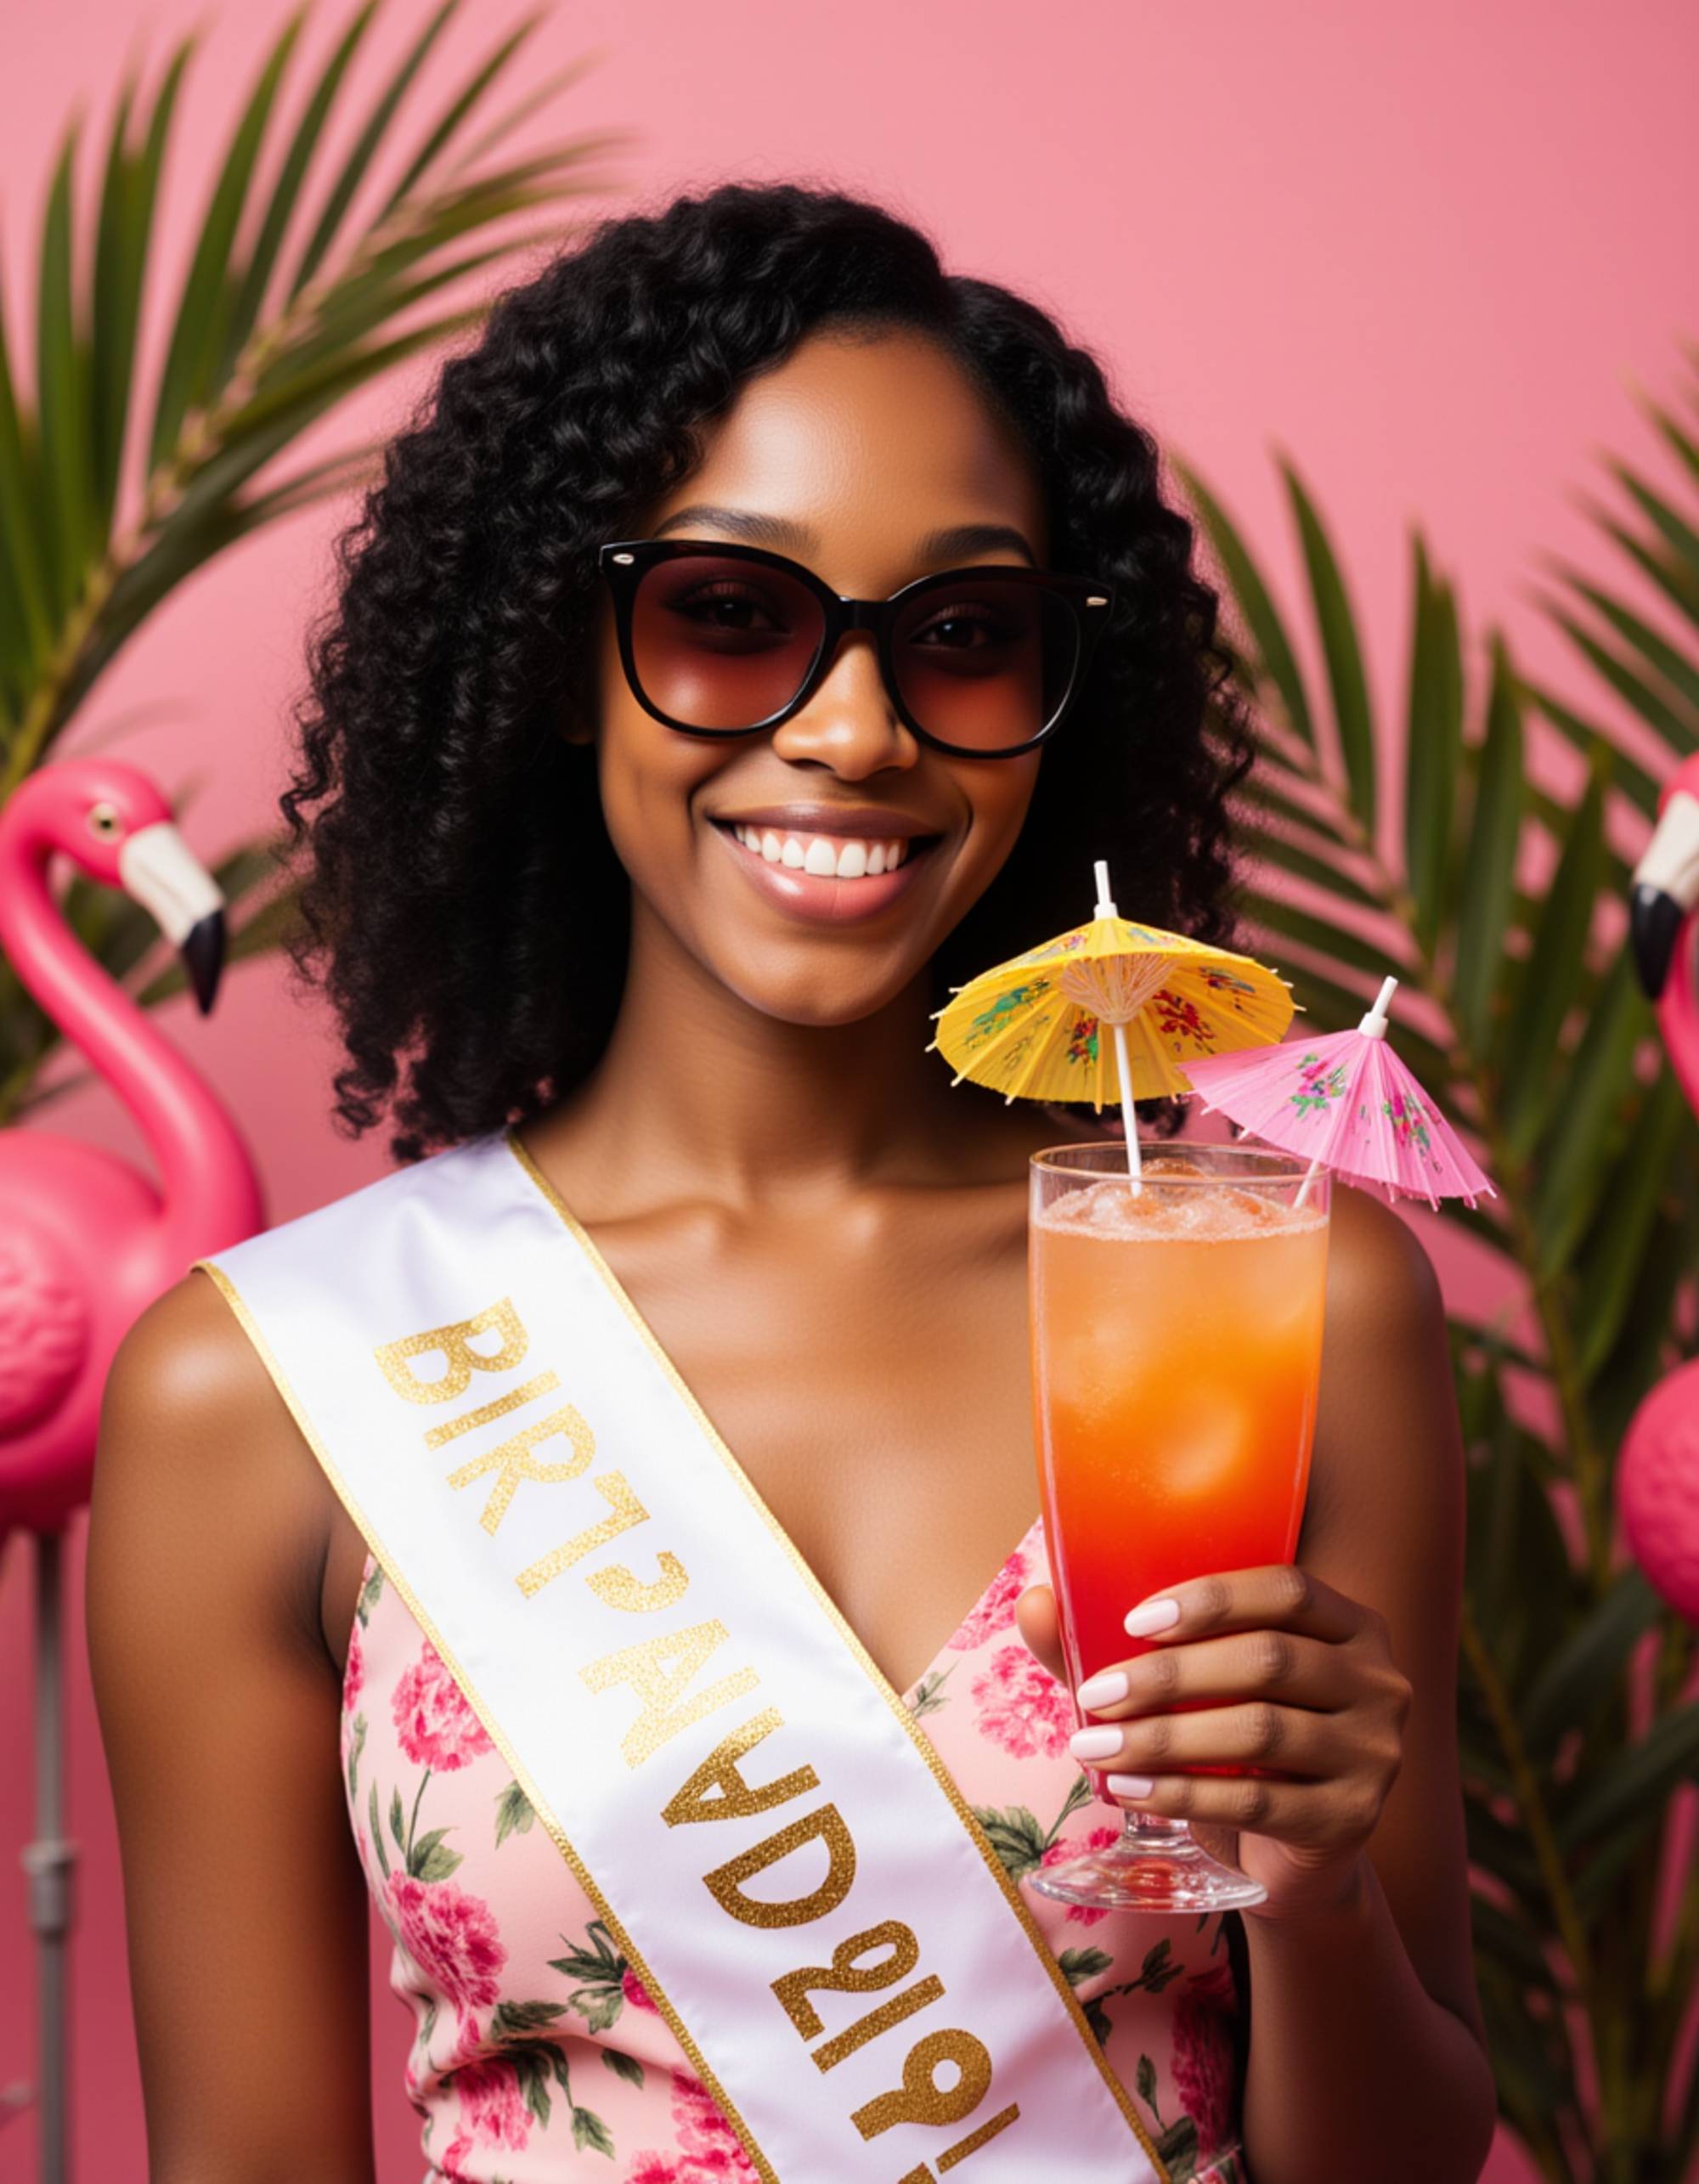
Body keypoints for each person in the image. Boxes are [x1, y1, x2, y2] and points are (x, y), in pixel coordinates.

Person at [87, 181, 1496, 2183]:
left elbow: (1407, 2161)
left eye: (964, 634)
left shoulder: (1270, 1291)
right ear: (558, 656)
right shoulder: (261, 1395)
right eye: (728, 615)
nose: (856, 729)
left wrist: (1318, 1889)